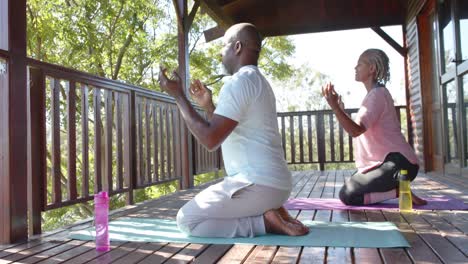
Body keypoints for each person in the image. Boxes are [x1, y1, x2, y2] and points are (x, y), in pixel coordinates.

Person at [158, 23, 309, 238]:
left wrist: (178, 96)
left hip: (258, 185)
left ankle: (264, 223)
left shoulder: (238, 82)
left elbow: (210, 139)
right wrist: (208, 106)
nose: (221, 53)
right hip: (276, 186)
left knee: (188, 220)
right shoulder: (258, 81)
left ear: (237, 47)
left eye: (224, 46)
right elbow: (224, 131)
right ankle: (271, 211)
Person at [322, 48, 427, 206]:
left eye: (359, 64)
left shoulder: (377, 95)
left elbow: (355, 131)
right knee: (350, 191)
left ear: (371, 69)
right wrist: (340, 110)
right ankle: (400, 189)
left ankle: (400, 190)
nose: (355, 68)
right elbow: (357, 129)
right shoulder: (375, 95)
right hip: (386, 163)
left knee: (348, 194)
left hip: (399, 163)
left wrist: (336, 108)